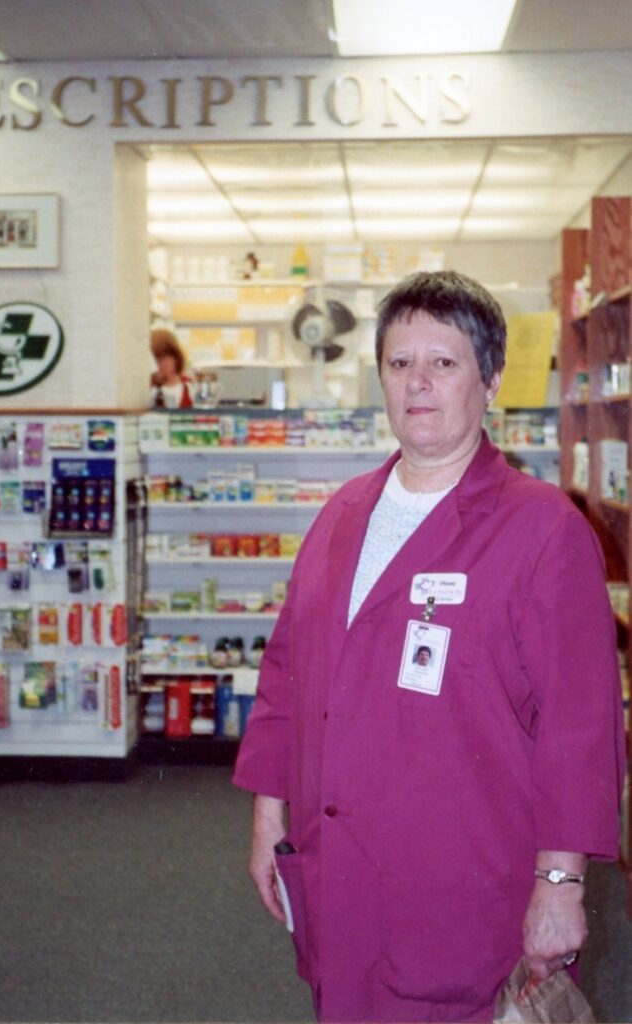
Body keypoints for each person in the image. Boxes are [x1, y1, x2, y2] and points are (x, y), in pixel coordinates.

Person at [232, 270, 626, 1023]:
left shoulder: (542, 530)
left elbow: (579, 723)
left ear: (491, 380)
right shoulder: (341, 516)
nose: (417, 382)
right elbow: (285, 677)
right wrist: (267, 820)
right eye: (398, 363)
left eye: (442, 363)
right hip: (340, 870)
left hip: (464, 884)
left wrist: (560, 884)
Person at [150, 328, 193, 408]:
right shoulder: (147, 390)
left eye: (162, 358)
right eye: (155, 359)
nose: (158, 365)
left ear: (176, 357)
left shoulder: (191, 387)